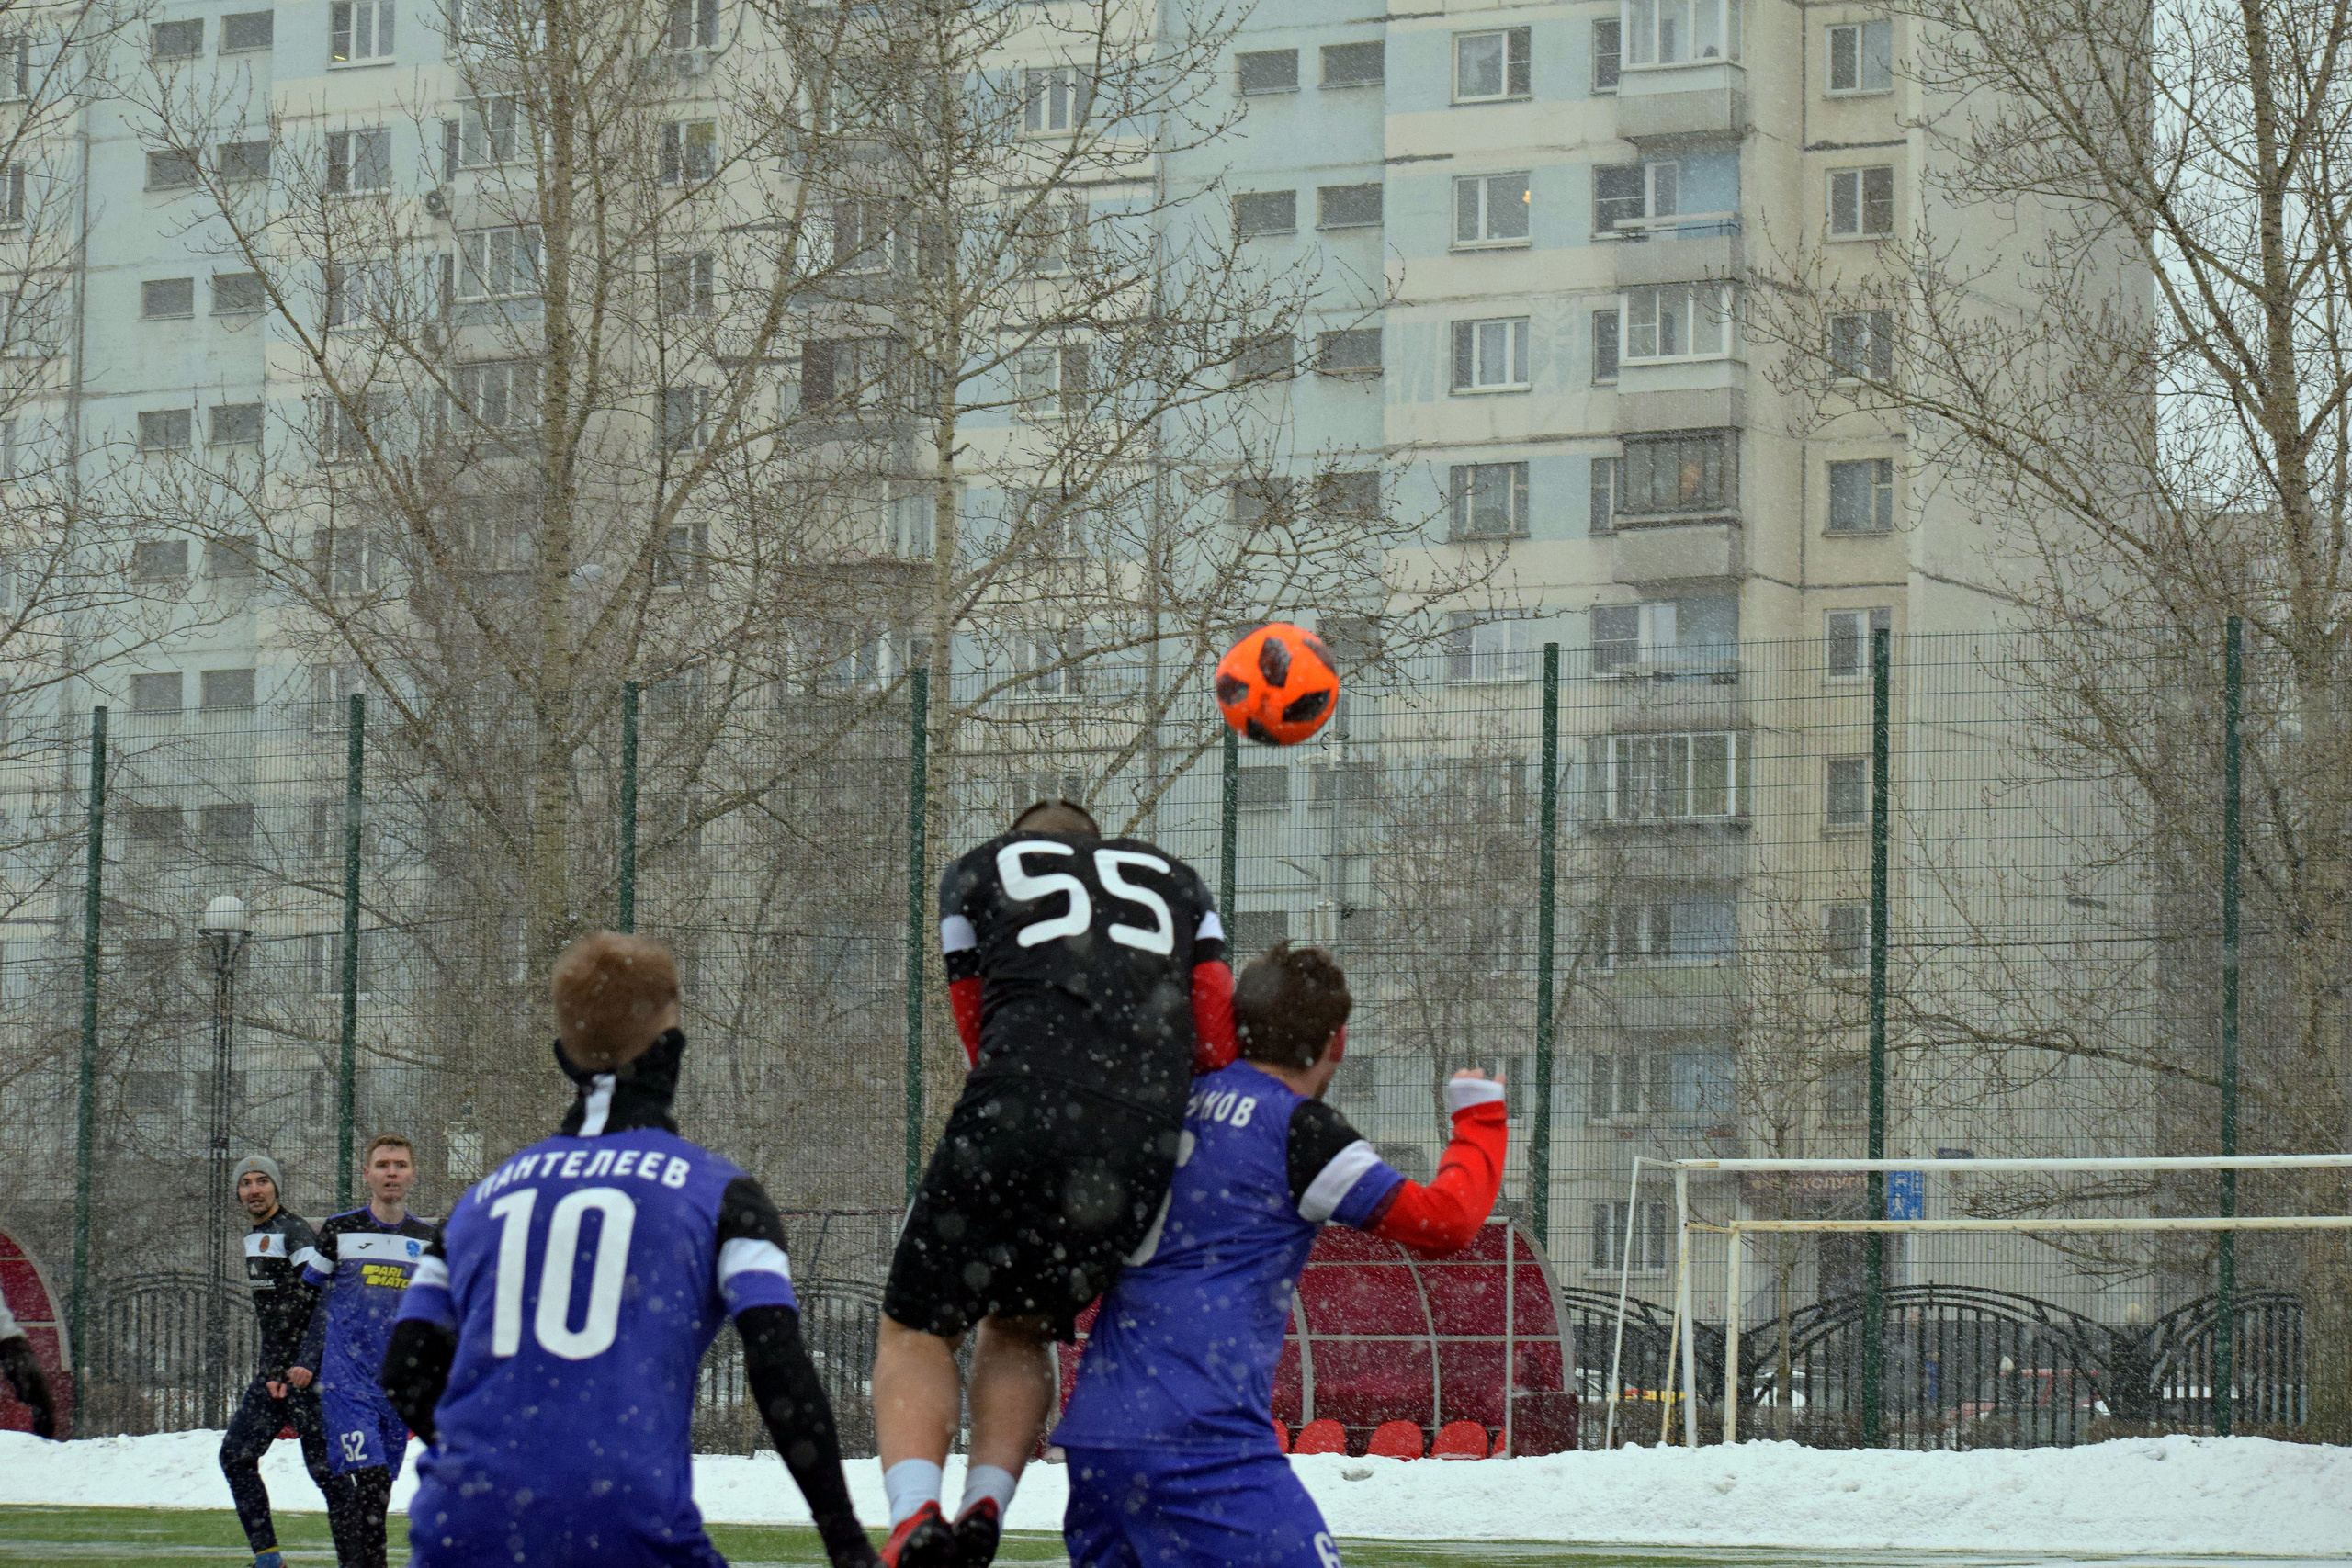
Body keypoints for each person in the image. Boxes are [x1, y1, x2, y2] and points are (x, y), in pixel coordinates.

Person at [380, 931, 879, 1568]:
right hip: (625, 1523)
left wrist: (498, 1466)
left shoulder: (476, 1204)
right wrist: (845, 1539)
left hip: (461, 1525)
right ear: (672, 1049)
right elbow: (778, 1364)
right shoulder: (718, 1192)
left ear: (565, 1057)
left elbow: (403, 1368)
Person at [1051, 942, 1509, 1568]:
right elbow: (1446, 1222)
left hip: (1098, 1435)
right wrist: (1480, 1118)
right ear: (1337, 1042)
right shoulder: (1299, 1130)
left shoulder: (1166, 1101)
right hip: (1200, 1438)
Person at [875, 799, 1235, 1568]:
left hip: (1020, 1101)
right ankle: (986, 1504)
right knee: (1022, 1322)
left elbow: (976, 1029)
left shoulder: (977, 869)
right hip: (1139, 1137)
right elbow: (1214, 1038)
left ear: (1020, 842)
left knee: (917, 1326)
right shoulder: (1182, 883)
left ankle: (915, 1514)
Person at [296, 1133, 435, 1568]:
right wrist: (301, 1359)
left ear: (412, 1174)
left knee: (380, 1489)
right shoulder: (340, 1230)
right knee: (371, 1480)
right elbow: (307, 1298)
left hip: (395, 1385)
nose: (391, 1172)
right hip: (346, 1383)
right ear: (367, 1174)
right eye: (382, 1165)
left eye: (399, 1165)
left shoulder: (429, 1240)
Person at [219, 1154, 340, 1568]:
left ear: (276, 1187)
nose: (254, 1189)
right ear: (237, 1192)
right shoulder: (255, 1236)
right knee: (235, 1456)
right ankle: (269, 1561)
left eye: (262, 1181)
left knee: (328, 1474)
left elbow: (317, 1299)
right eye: (246, 1183)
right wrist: (272, 1370)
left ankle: (360, 1557)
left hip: (307, 1374)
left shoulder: (293, 1231)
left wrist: (300, 1364)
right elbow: (274, 1318)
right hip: (275, 1373)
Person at [0, 1293, 56, 1439]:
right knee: (40, 1397)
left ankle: (41, 1442)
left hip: (9, 1341)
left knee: (39, 1396)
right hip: (10, 1342)